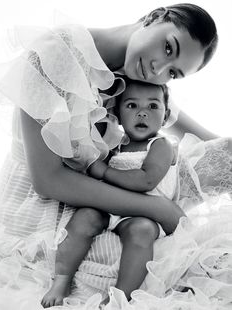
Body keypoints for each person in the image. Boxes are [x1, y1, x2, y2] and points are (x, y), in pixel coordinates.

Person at [0, 2, 230, 309]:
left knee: (227, 158)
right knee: (163, 249)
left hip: (108, 187)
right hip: (51, 208)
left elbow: (165, 111)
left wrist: (219, 144)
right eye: (168, 48)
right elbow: (47, 182)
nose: (158, 69)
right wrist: (159, 208)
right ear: (155, 17)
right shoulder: (55, 54)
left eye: (172, 72)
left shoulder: (134, 66)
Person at [41, 78, 182, 307]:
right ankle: (61, 280)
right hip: (110, 207)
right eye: (132, 105)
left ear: (165, 116)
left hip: (144, 213)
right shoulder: (115, 143)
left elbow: (146, 180)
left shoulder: (160, 145)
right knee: (84, 217)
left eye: (153, 106)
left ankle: (121, 295)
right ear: (117, 113)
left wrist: (104, 171)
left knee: (142, 231)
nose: (142, 113)